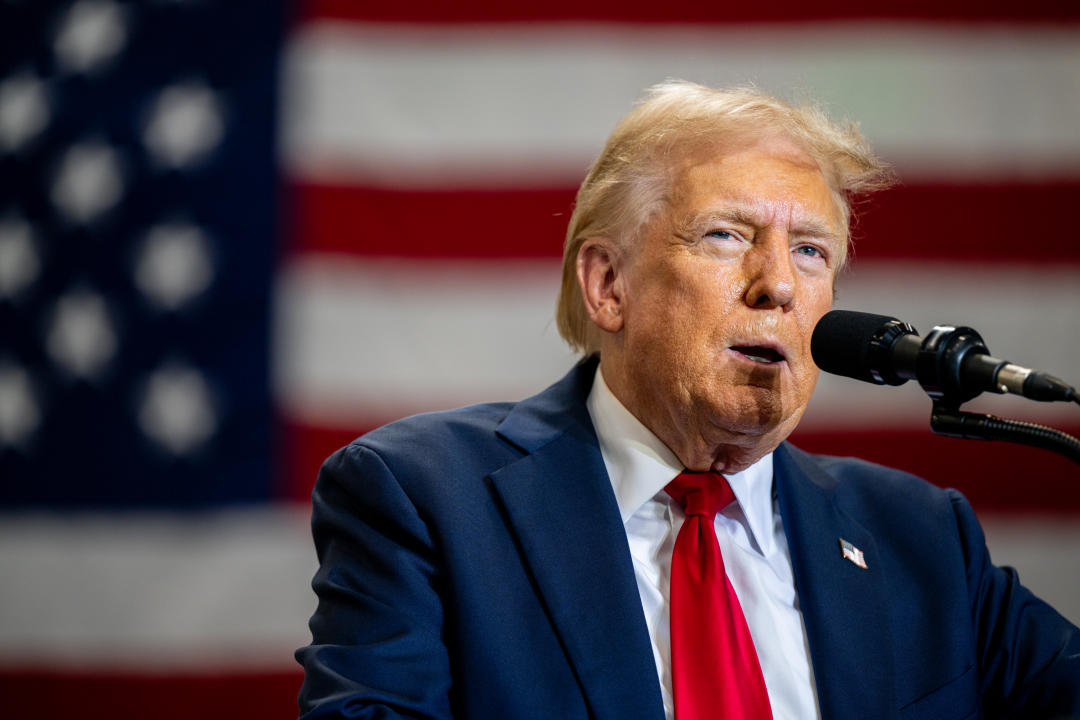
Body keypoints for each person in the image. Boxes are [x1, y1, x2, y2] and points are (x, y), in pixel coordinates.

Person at [295, 81, 1080, 719]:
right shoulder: (425, 499)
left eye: (811, 251)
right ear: (609, 285)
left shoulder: (920, 536)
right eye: (726, 236)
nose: (777, 283)